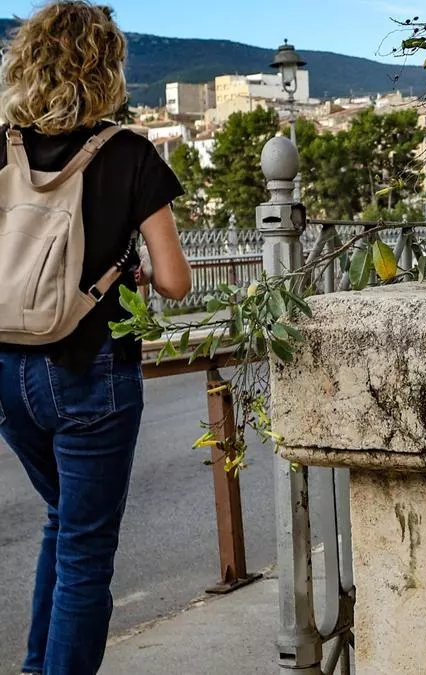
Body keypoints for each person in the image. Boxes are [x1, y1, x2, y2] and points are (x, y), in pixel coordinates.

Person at [0, 3, 192, 673]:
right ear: (105, 69)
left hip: (7, 371)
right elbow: (173, 281)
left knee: (63, 520)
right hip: (92, 368)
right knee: (84, 548)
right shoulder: (130, 152)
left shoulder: (3, 146)